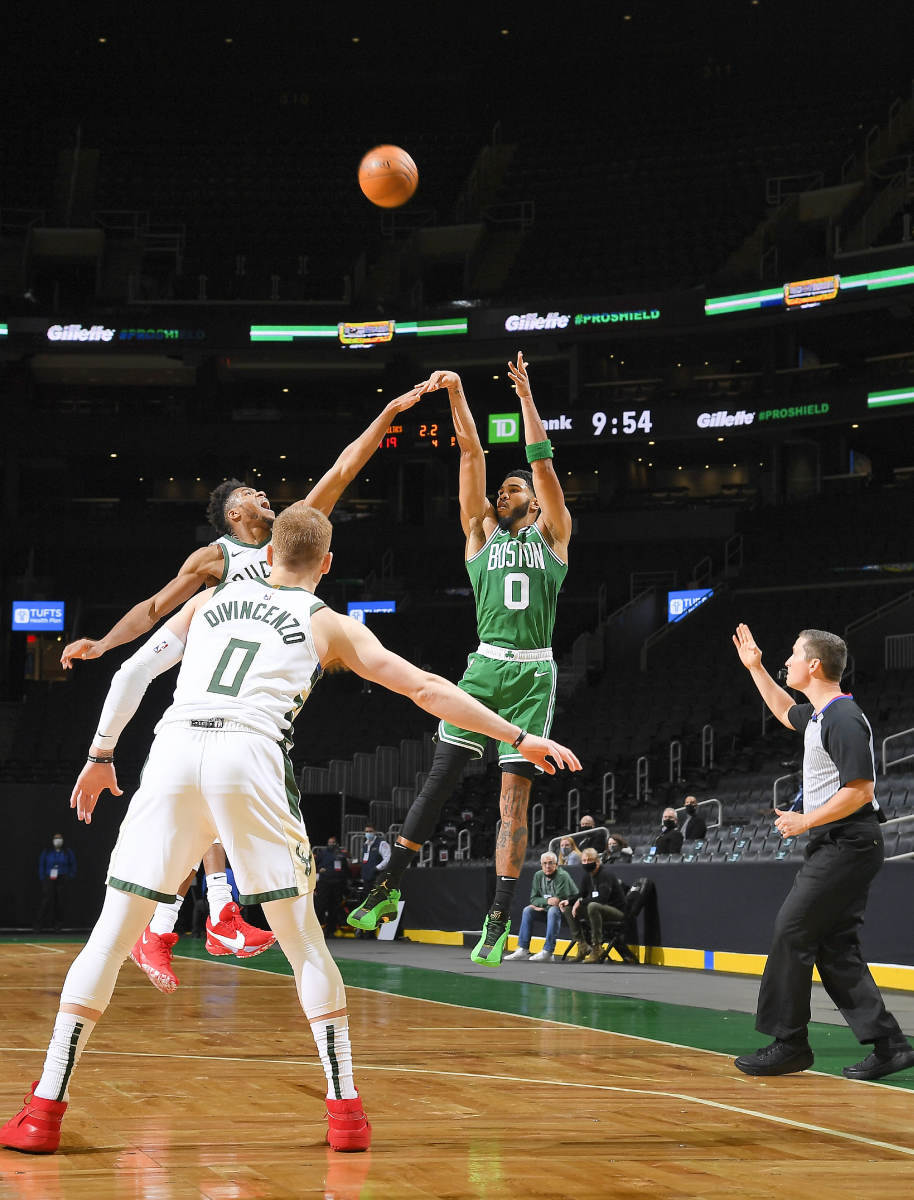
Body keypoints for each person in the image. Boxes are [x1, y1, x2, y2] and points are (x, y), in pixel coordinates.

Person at [0, 506, 580, 1157]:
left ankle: (44, 1110)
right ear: (326, 564)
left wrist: (101, 755)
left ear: (266, 554)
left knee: (108, 939)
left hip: (173, 752)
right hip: (249, 756)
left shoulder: (213, 600)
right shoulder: (328, 622)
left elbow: (132, 671)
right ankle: (346, 1114)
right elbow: (424, 688)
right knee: (303, 943)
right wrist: (519, 736)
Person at [58, 386, 429, 992]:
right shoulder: (215, 556)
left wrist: (387, 413)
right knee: (161, 718)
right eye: (251, 494)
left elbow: (343, 468)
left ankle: (174, 925)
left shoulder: (294, 533)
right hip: (205, 664)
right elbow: (155, 606)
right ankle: (204, 917)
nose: (265, 494)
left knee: (212, 808)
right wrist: (102, 643)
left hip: (260, 681)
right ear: (233, 514)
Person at [347, 354, 573, 968]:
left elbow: (543, 463)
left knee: (511, 804)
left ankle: (498, 918)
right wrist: (457, 392)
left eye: (515, 487)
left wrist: (527, 399)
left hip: (531, 671)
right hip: (484, 665)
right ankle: (386, 885)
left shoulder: (553, 534)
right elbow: (471, 454)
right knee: (438, 778)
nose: (506, 490)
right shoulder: (479, 534)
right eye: (503, 489)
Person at [731, 623, 914, 1080]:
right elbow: (781, 708)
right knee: (836, 949)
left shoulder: (843, 718)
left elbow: (860, 790)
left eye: (793, 655)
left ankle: (789, 1042)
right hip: (839, 843)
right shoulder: (818, 715)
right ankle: (890, 1046)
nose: (786, 661)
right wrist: (754, 669)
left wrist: (804, 821)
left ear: (814, 665)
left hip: (848, 841)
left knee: (791, 931)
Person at [504, 851, 577, 962]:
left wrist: (542, 904)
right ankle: (523, 949)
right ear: (541, 865)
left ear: (556, 865)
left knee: (553, 910)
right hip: (549, 911)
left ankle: (548, 951)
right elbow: (533, 899)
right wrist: (547, 901)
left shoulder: (562, 876)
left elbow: (558, 901)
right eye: (544, 863)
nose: (547, 866)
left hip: (568, 914)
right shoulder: (538, 875)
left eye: (551, 863)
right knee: (528, 910)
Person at [559, 847, 626, 964]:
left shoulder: (605, 874)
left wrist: (580, 902)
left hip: (616, 911)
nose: (586, 863)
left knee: (593, 906)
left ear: (597, 861)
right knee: (569, 908)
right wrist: (569, 902)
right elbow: (581, 894)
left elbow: (603, 899)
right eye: (584, 861)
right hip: (599, 911)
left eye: (589, 860)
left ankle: (597, 947)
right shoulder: (587, 875)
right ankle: (582, 945)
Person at [35, 835, 77, 932]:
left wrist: (70, 875)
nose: (58, 840)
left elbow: (73, 864)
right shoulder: (47, 852)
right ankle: (39, 924)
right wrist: (43, 878)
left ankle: (57, 925)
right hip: (49, 878)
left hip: (62, 878)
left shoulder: (67, 852)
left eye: (60, 838)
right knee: (47, 900)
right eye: (56, 838)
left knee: (60, 901)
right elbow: (42, 865)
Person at [313, 838, 351, 936]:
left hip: (337, 884)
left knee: (335, 907)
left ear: (336, 843)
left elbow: (346, 869)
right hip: (324, 883)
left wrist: (345, 881)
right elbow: (314, 864)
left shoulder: (341, 854)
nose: (331, 844)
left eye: (333, 842)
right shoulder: (323, 852)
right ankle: (317, 928)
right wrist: (318, 869)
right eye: (330, 842)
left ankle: (331, 928)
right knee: (321, 906)